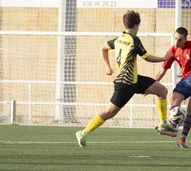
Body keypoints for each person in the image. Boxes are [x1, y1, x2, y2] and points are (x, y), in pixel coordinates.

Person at [75, 10, 177, 148]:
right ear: (136, 25)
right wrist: (164, 58)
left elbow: (103, 48)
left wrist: (108, 68)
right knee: (110, 112)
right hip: (125, 83)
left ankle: (164, 124)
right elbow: (147, 57)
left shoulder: (118, 39)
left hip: (135, 80)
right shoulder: (133, 40)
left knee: (162, 90)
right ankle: (84, 133)